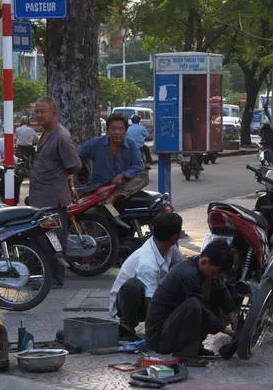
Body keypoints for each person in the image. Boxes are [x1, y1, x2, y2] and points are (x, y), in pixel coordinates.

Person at [145, 239, 238, 367]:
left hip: (173, 326)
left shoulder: (203, 269)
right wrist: (230, 332)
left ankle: (194, 347)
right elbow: (203, 312)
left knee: (214, 296)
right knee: (195, 305)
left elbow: (221, 290)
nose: (216, 276)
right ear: (204, 261)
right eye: (215, 272)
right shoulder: (187, 274)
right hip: (159, 337)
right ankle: (185, 354)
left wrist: (232, 313)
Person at [28, 96, 81, 288]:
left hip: (53, 199)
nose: (39, 115)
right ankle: (46, 276)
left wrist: (61, 177)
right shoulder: (46, 134)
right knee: (42, 239)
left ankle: (56, 279)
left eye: (43, 112)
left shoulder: (61, 136)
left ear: (54, 113)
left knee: (54, 241)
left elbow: (74, 164)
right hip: (40, 197)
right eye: (37, 112)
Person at [109, 212, 185, 340]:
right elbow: (151, 302)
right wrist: (157, 331)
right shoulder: (148, 263)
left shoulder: (170, 248)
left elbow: (183, 266)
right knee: (132, 287)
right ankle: (127, 326)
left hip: (153, 293)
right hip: (128, 302)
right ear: (175, 237)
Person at [77, 113, 147, 201]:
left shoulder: (132, 145)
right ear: (107, 130)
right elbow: (76, 157)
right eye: (113, 128)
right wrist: (81, 171)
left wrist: (123, 175)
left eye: (120, 129)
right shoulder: (96, 143)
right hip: (99, 190)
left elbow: (138, 167)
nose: (116, 132)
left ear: (125, 131)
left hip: (123, 190)